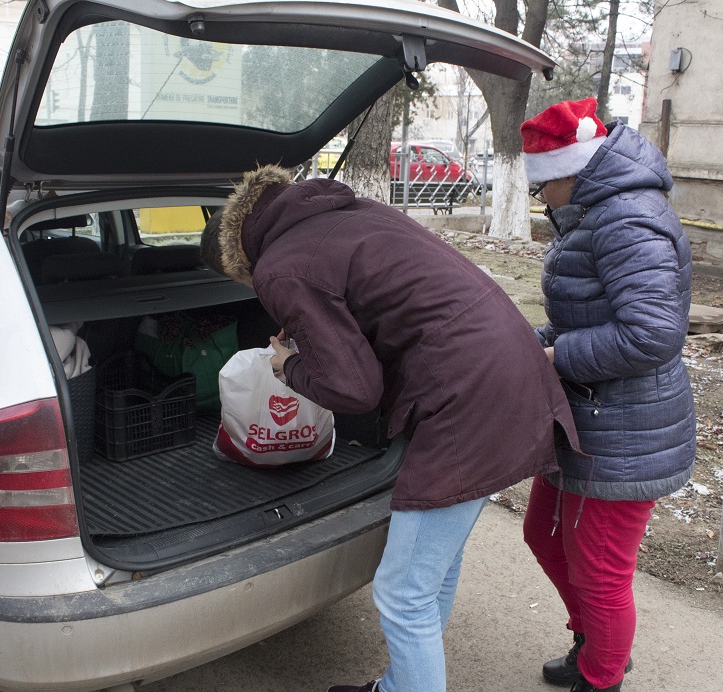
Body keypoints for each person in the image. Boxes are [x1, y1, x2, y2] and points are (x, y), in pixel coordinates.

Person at [200, 164, 581, 692]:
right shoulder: (349, 213)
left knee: (404, 593)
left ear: (237, 259)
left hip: (467, 400)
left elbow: (355, 389)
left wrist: (288, 365)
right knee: (432, 573)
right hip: (512, 373)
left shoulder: (279, 267)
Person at [519, 97, 697, 692]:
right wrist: (523, 342)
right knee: (541, 532)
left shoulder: (625, 218)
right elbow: (587, 316)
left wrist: (553, 356)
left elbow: (650, 334)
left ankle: (601, 677)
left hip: (624, 430)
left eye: (542, 186)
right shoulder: (597, 213)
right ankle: (595, 642)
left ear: (571, 171)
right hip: (587, 416)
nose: (541, 199)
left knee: (599, 571)